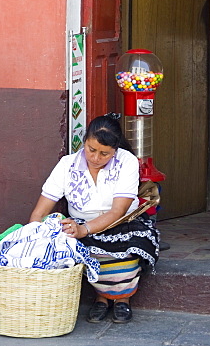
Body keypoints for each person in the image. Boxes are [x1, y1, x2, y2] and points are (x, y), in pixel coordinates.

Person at [29, 113, 159, 324]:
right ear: (84, 141)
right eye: (91, 150)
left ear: (115, 150)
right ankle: (103, 297)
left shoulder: (127, 162)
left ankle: (120, 299)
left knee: (127, 248)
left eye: (105, 154)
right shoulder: (67, 165)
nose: (96, 158)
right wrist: (33, 235)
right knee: (79, 248)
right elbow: (40, 212)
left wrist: (84, 230)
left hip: (123, 223)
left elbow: (118, 211)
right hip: (81, 223)